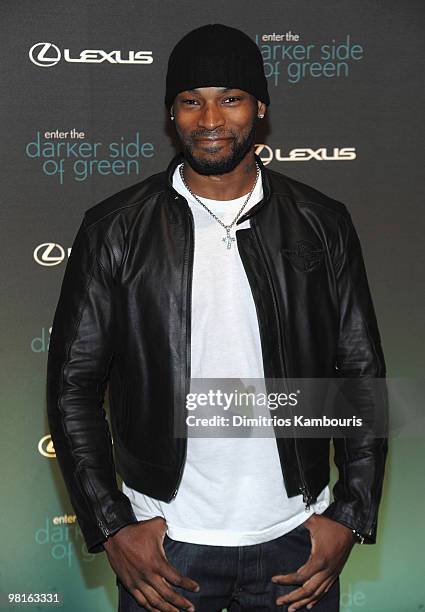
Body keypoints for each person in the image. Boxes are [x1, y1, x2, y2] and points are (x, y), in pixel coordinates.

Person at [46, 23, 388, 612]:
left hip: (296, 541)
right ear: (171, 113)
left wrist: (349, 514)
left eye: (229, 99)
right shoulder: (115, 227)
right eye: (191, 101)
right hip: (166, 546)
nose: (209, 119)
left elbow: (360, 371)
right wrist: (112, 525)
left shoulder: (321, 221)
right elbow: (74, 386)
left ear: (260, 108)